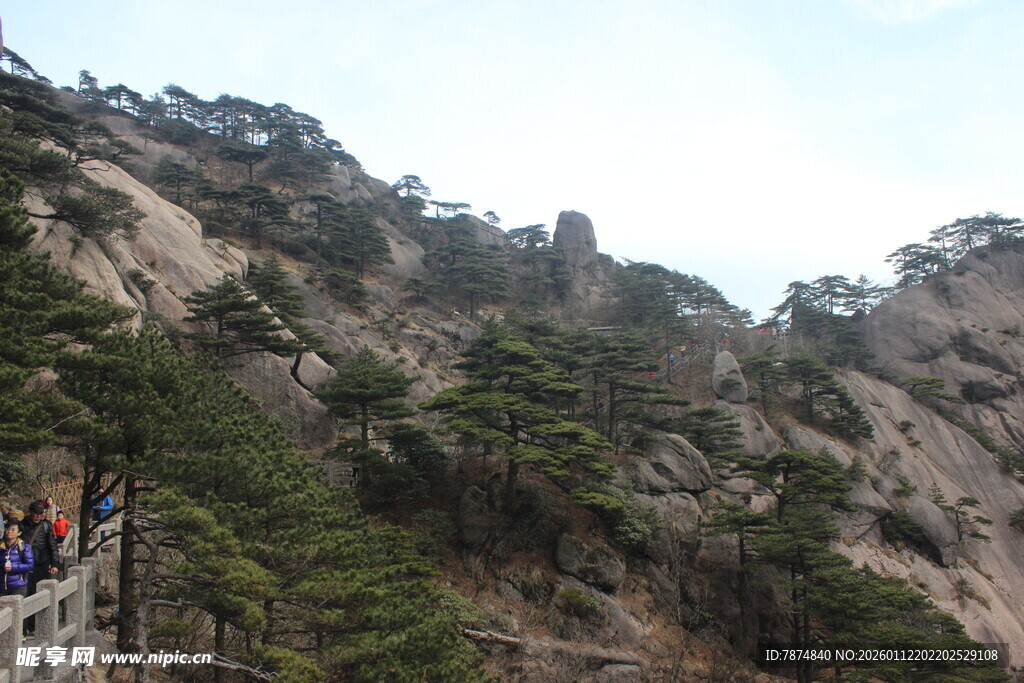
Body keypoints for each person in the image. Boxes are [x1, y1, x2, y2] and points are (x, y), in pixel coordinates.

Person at [21, 501, 59, 635]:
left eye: (41, 513)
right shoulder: (21, 525)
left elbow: (52, 545)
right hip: (24, 566)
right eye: (36, 513)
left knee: (39, 595)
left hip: (41, 565)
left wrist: (55, 564)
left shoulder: (46, 526)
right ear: (30, 512)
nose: (39, 516)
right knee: (25, 595)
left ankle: (34, 627)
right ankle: (23, 628)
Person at [1, 520, 34, 598]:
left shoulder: (24, 548)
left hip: (18, 585)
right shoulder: (1, 546)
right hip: (1, 586)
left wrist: (13, 567)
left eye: (13, 529)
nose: (9, 531)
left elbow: (30, 565)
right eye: (8, 529)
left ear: (19, 533)